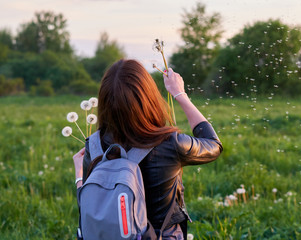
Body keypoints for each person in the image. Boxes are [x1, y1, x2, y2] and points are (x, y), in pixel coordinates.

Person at [72, 59, 223, 239]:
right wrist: (180, 94)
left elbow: (92, 206)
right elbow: (213, 145)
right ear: (148, 98)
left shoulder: (94, 146)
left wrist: (79, 177)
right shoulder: (170, 143)